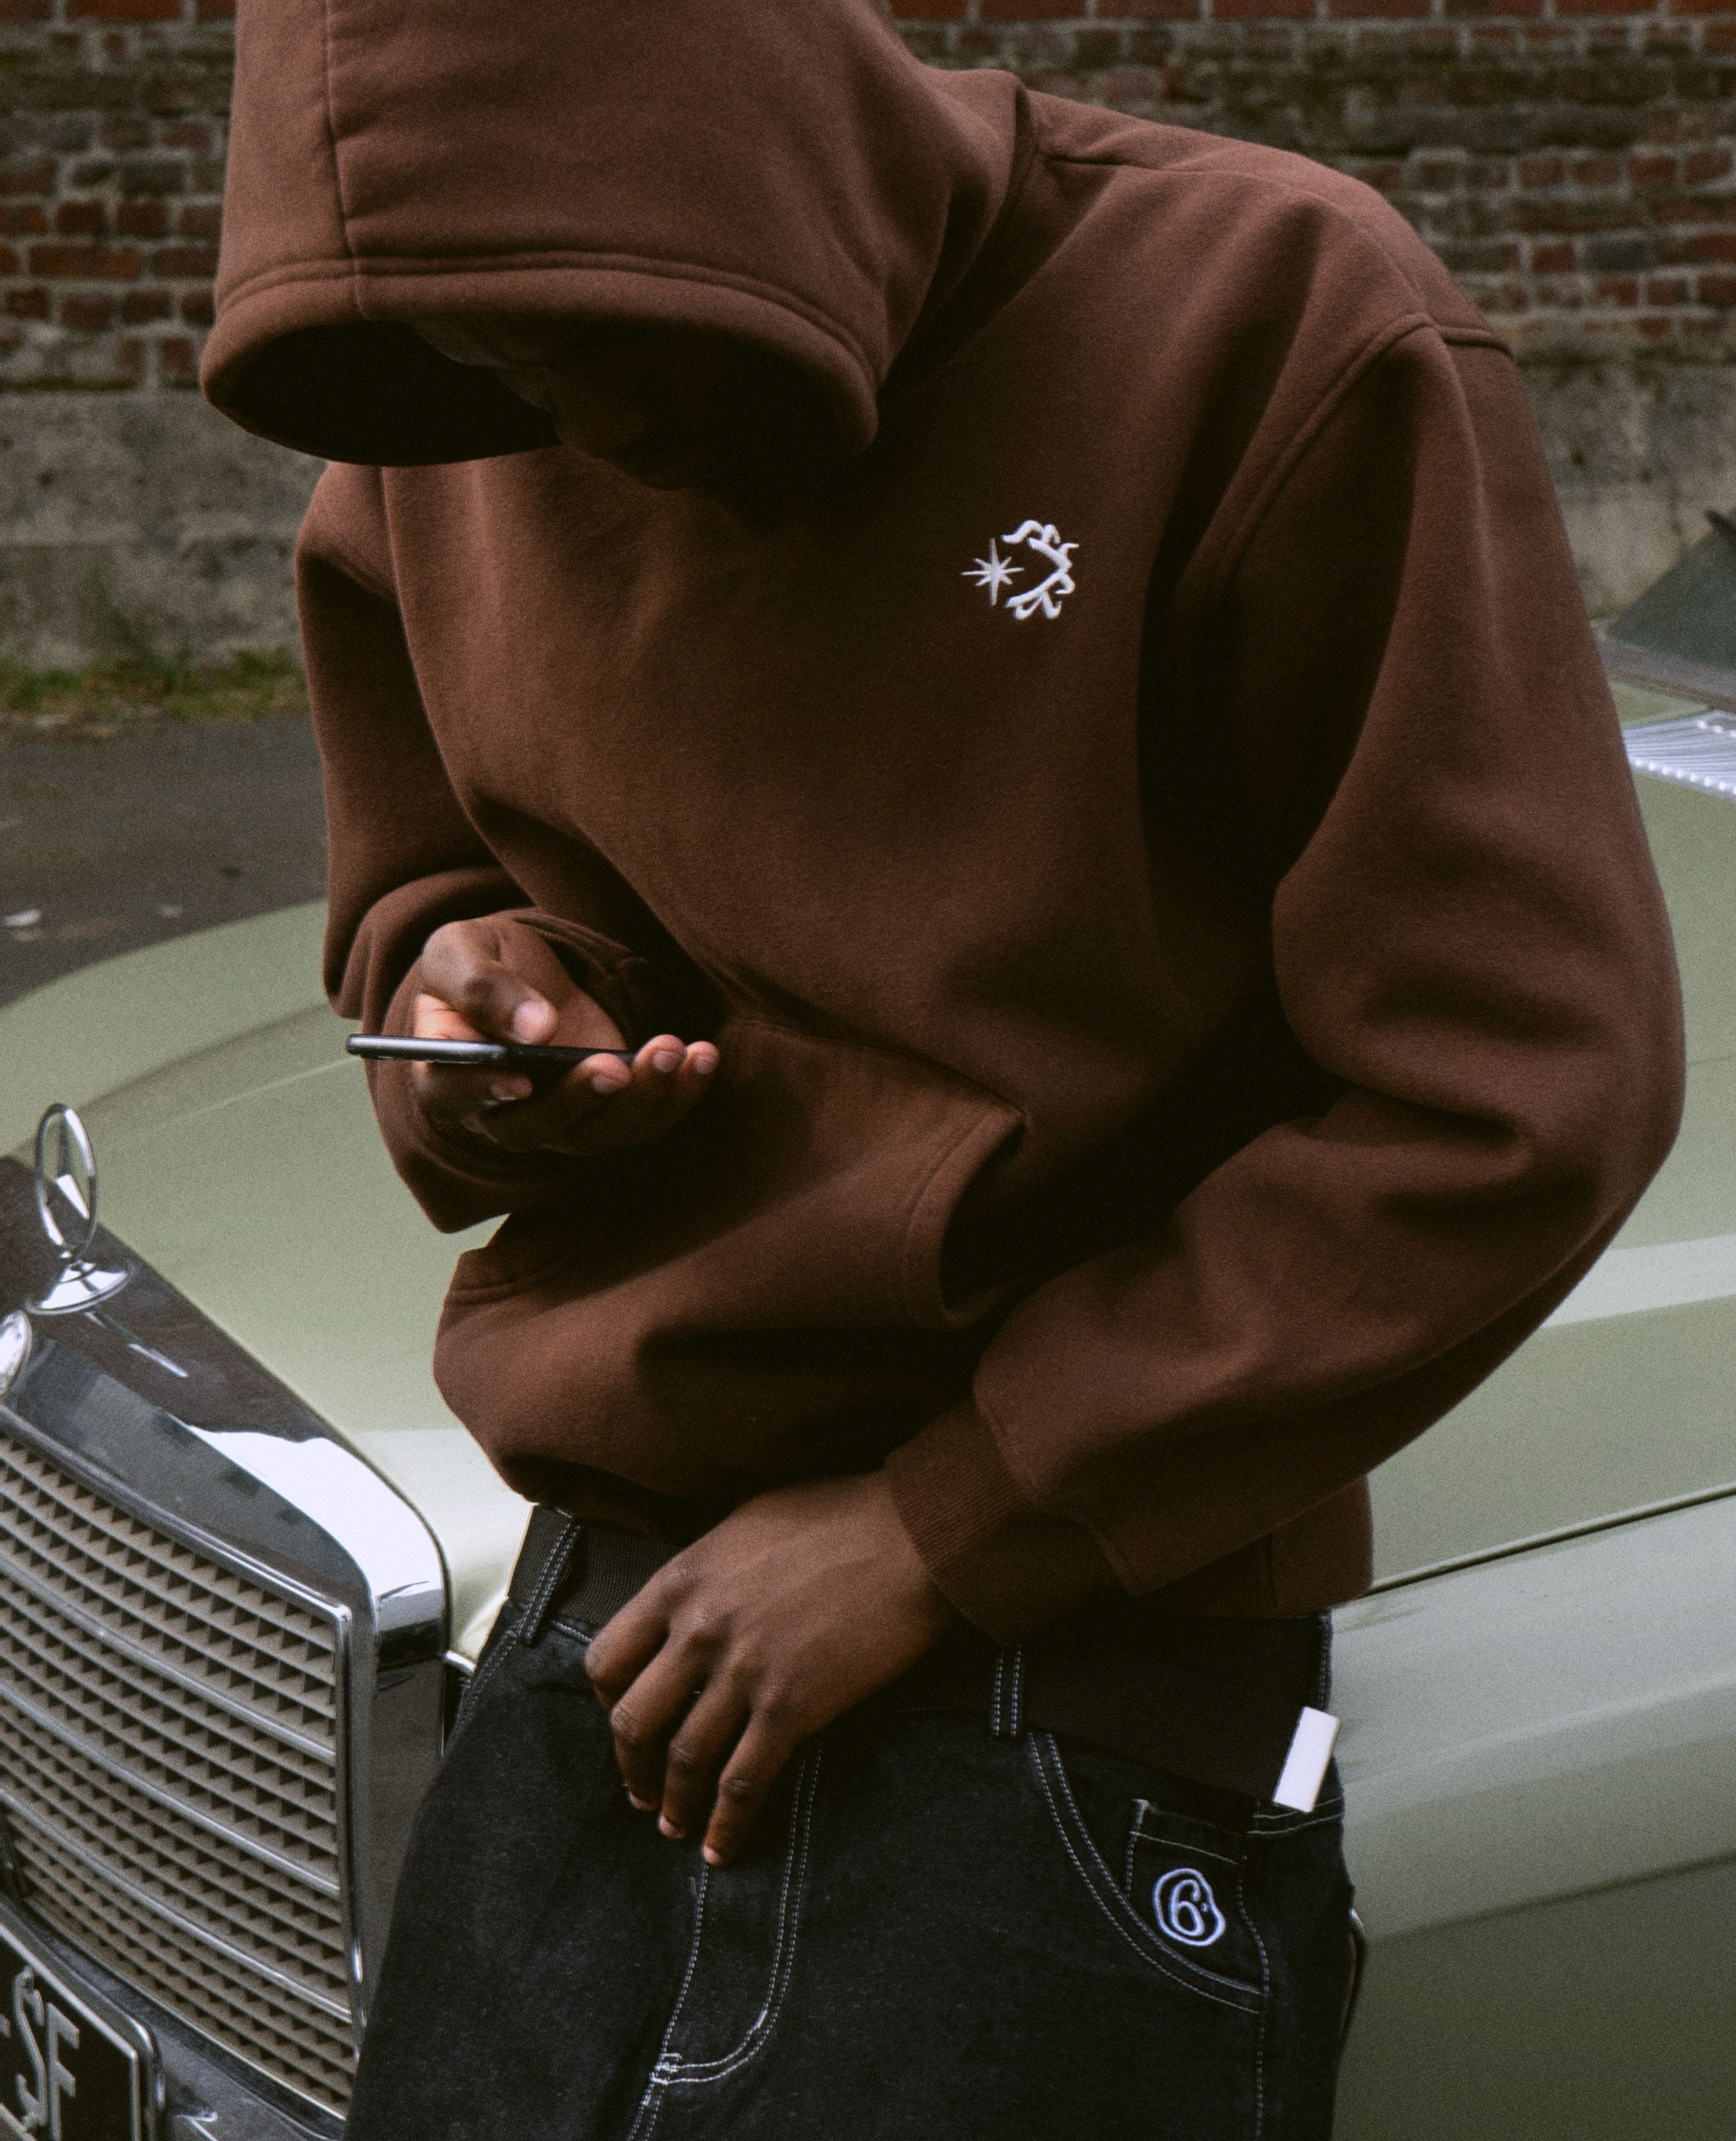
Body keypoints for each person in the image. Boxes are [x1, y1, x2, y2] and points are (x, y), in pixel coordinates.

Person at [201, 0, 1683, 2133]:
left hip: (1063, 1695)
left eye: (595, 338)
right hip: (602, 1621)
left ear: (746, 140)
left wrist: (938, 1522)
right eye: (496, 365)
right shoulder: (453, 384)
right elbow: (438, 873)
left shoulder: (1273, 325)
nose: (571, 420)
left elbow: (1515, 1086)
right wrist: (472, 1003)